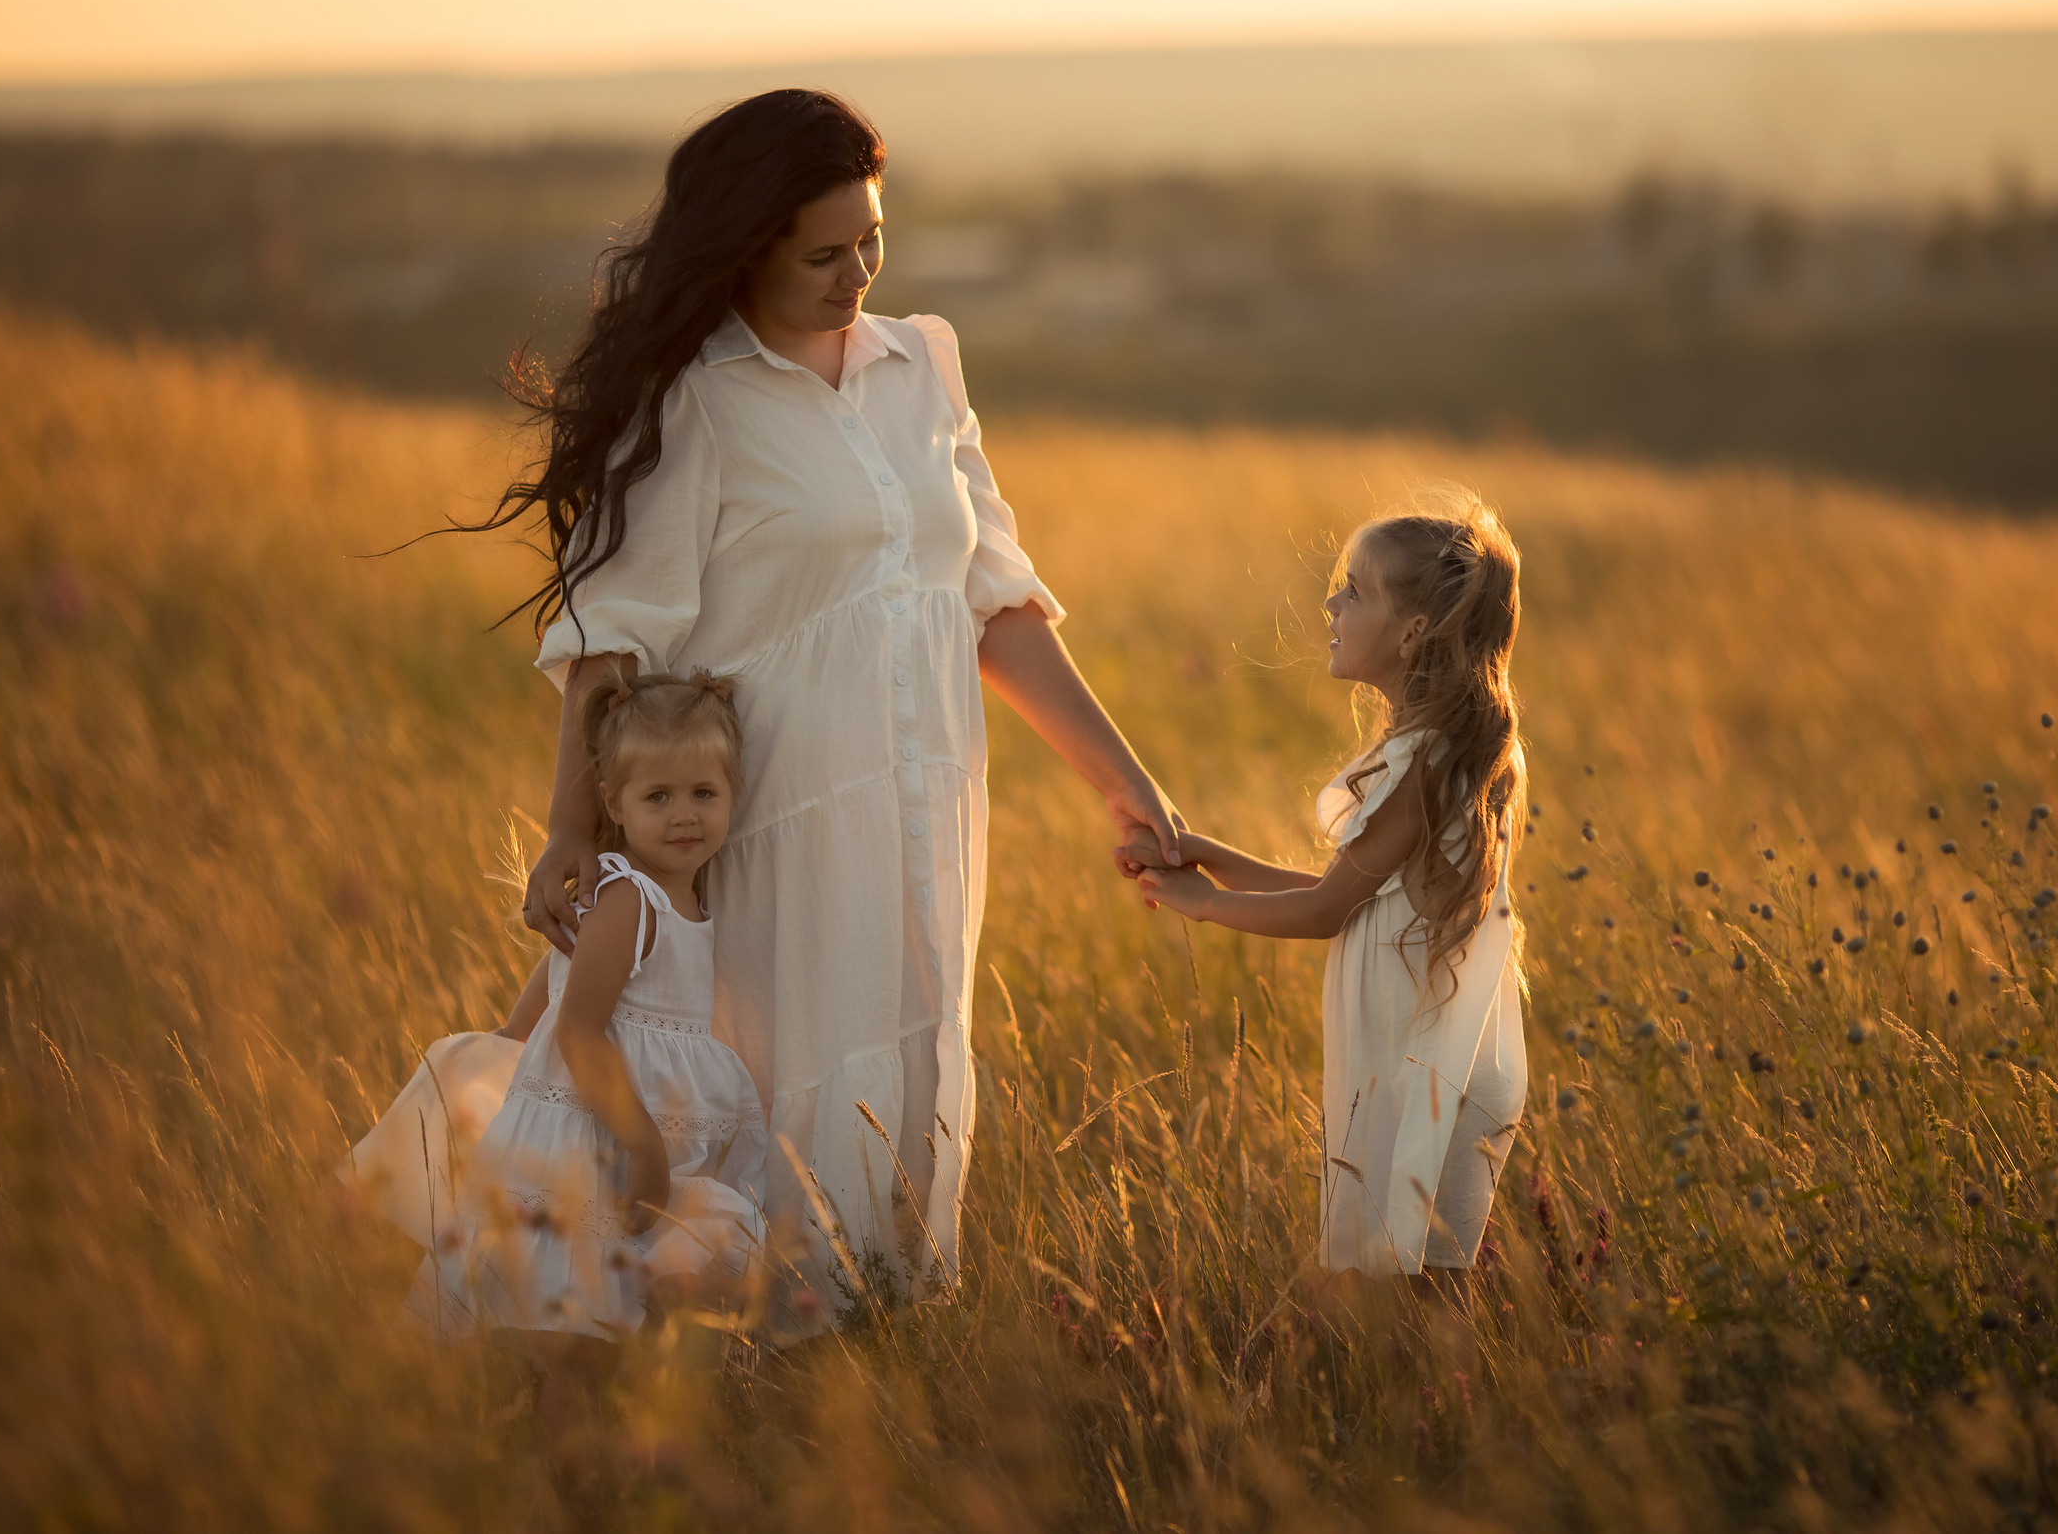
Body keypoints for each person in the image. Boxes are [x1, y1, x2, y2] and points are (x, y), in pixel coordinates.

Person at [477, 89, 1180, 1310]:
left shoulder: (925, 366)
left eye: (872, 239)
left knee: (907, 1079)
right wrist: (569, 834)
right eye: (822, 252)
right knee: (783, 1092)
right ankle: (762, 1381)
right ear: (745, 246)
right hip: (768, 829)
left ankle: (878, 1370)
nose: (856, 271)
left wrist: (1127, 782)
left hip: (923, 813)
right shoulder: (692, 402)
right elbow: (610, 648)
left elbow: (993, 602)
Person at [1133, 499, 1529, 1279]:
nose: (1331, 603)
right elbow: (1353, 896)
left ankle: (1441, 1402)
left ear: (1412, 632)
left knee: (1417, 1296)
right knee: (1426, 1288)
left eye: (1354, 590)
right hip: (1441, 1057)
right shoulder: (1448, 750)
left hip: (1425, 1065)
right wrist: (1213, 858)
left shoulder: (1425, 762)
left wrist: (1203, 904)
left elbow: (1323, 912)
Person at [347, 670, 766, 1366]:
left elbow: (564, 968)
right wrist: (643, 1146)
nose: (684, 814)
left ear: (734, 794)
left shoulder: (687, 898)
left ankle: (621, 1407)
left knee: (621, 1305)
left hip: (645, 1126)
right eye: (658, 796)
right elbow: (577, 1023)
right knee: (559, 1321)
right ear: (614, 803)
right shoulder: (629, 900)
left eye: (703, 793)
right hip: (598, 1134)